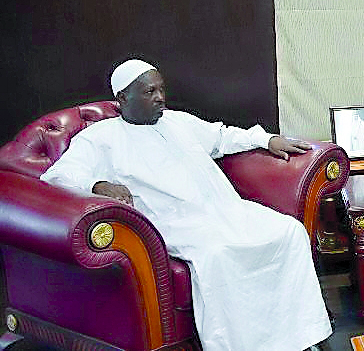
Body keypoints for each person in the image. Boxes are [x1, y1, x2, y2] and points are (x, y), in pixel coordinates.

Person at [40, 59, 333, 351]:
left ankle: (300, 338)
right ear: (122, 98)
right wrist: (99, 186)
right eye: (149, 92)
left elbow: (221, 136)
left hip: (224, 210)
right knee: (217, 255)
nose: (160, 98)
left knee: (290, 232)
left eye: (161, 90)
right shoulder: (100, 138)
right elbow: (58, 176)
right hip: (173, 222)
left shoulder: (177, 121)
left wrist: (266, 140)